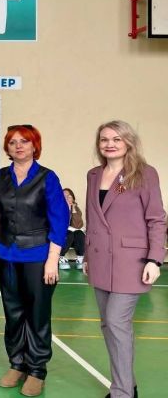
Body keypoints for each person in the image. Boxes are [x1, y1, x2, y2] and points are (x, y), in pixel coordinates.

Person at [84, 120, 166, 398]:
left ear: (128, 142)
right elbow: (93, 218)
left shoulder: (144, 174)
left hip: (131, 262)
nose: (109, 144)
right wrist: (87, 255)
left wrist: (155, 259)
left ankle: (122, 392)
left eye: (116, 139)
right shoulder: (94, 175)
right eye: (104, 139)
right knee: (109, 325)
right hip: (100, 260)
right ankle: (127, 384)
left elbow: (157, 219)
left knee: (116, 321)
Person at [0, 124, 69, 397]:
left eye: (24, 141)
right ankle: (17, 364)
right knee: (13, 313)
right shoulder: (0, 176)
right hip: (6, 254)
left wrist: (52, 260)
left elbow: (60, 219)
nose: (18, 146)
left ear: (35, 145)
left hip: (38, 255)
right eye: (13, 142)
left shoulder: (47, 177)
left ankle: (37, 369)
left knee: (37, 315)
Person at [58, 188, 85, 270]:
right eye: (64, 196)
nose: (66, 198)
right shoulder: (57, 208)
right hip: (62, 238)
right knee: (69, 233)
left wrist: (72, 209)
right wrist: (67, 210)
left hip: (74, 240)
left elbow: (77, 225)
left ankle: (80, 258)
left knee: (80, 233)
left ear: (73, 199)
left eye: (69, 196)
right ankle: (60, 257)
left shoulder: (76, 209)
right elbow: (62, 225)